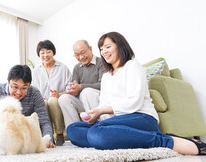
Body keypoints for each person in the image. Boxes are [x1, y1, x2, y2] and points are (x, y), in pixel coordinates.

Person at [66, 31, 206, 155]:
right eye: (101, 49)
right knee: (73, 129)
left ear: (120, 46)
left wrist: (103, 112)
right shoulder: (107, 76)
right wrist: (95, 114)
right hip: (115, 122)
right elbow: (104, 104)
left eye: (108, 47)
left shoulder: (132, 66)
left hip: (142, 118)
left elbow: (135, 101)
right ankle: (118, 138)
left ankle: (165, 141)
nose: (104, 52)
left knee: (96, 133)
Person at [0, 65, 56, 150]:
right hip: (2, 132)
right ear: (8, 82)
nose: (19, 92)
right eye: (15, 87)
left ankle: (3, 145)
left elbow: (44, 121)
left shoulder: (34, 93)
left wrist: (48, 140)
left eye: (24, 88)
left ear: (29, 85)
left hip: (23, 133)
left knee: (35, 132)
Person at [32, 40, 72, 146]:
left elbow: (70, 89)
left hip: (58, 101)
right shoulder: (36, 70)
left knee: (53, 101)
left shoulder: (63, 68)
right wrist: (40, 98)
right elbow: (34, 90)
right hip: (44, 101)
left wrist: (59, 94)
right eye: (42, 53)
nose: (45, 55)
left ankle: (59, 134)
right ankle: (48, 135)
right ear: (39, 55)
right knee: (44, 103)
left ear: (53, 52)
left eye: (48, 52)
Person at [58, 40, 105, 129]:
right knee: (63, 99)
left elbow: (103, 85)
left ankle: (97, 127)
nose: (81, 57)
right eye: (77, 55)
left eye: (83, 53)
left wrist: (81, 87)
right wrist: (74, 90)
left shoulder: (101, 62)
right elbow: (75, 88)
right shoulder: (77, 68)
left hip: (99, 100)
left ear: (90, 49)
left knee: (86, 92)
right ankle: (74, 130)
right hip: (83, 100)